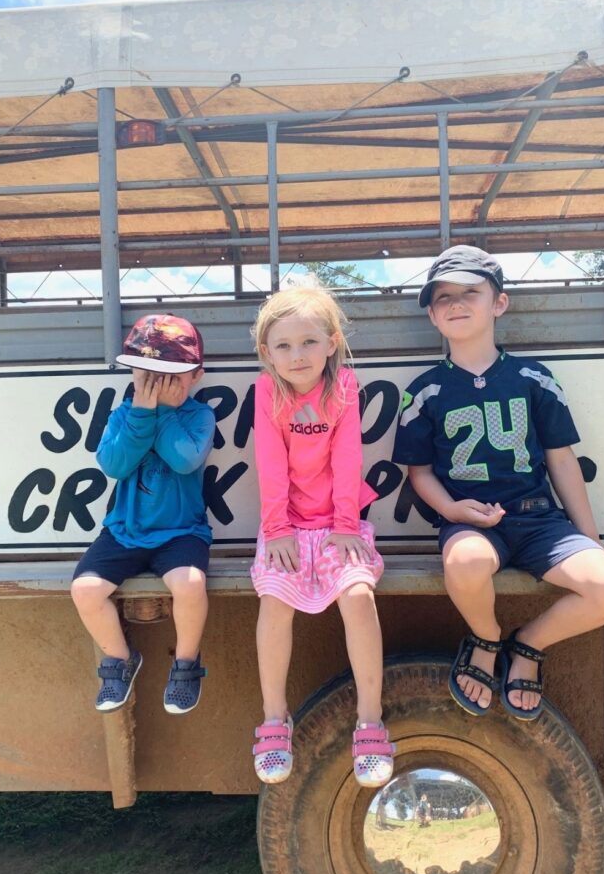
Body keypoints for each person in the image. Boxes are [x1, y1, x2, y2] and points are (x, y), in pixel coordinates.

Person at [393, 246, 604, 720]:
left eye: (469, 293)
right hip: (473, 522)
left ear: (499, 303)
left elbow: (561, 461)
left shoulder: (533, 378)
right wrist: (453, 511)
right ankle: (485, 637)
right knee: (465, 562)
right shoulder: (424, 391)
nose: (455, 304)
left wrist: (589, 538)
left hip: (540, 520)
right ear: (431, 314)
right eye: (442, 297)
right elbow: (418, 473)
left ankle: (526, 645)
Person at [250, 287, 395, 786]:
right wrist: (277, 531)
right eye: (284, 346)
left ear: (332, 343)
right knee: (274, 600)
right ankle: (274, 720)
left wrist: (345, 526)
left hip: (339, 524)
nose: (298, 355)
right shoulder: (267, 391)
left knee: (358, 595)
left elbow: (347, 458)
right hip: (285, 528)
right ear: (267, 352)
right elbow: (269, 464)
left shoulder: (344, 388)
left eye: (309, 342)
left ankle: (371, 722)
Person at [71, 314, 216, 715]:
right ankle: (119, 660)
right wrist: (143, 412)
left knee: (189, 584)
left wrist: (165, 412)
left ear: (196, 376)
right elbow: (115, 465)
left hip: (180, 532)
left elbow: (184, 460)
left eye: (172, 375)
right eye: (148, 374)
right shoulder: (122, 414)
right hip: (123, 531)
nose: (159, 385)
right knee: (84, 590)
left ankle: (186, 663)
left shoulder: (199, 416)